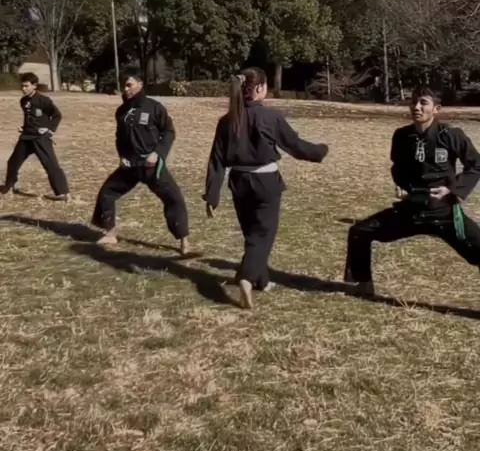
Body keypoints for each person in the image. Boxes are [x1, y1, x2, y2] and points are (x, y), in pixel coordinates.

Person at [204, 67, 329, 309]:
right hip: (265, 182)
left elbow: (216, 159)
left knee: (252, 235)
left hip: (239, 182)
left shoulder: (226, 121)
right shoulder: (270, 117)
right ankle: (246, 278)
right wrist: (321, 151)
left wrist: (212, 193)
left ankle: (261, 281)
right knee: (263, 234)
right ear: (260, 88)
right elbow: (295, 146)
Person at [344, 86, 480, 295]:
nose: (416, 107)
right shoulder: (402, 136)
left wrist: (451, 189)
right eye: (414, 102)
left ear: (436, 109)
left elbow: (476, 164)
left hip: (442, 212)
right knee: (359, 232)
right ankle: (363, 285)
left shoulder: (451, 135)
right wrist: (402, 184)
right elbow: (397, 167)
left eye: (423, 103)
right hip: (412, 209)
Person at [92, 67, 190, 254]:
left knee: (174, 198)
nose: (125, 89)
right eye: (123, 85)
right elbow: (119, 138)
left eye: (129, 85)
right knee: (107, 193)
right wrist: (122, 156)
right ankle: (110, 233)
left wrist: (157, 154)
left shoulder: (154, 108)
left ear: (140, 83)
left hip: (151, 165)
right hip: (130, 165)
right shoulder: (121, 111)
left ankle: (184, 241)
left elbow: (169, 132)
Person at [0, 72, 70, 201]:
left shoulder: (44, 100)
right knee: (13, 162)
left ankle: (63, 193)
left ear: (34, 86)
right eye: (22, 86)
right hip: (26, 137)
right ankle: (9, 186)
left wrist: (49, 129)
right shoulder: (23, 101)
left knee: (51, 164)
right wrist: (24, 127)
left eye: (26, 86)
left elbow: (57, 115)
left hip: (40, 138)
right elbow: (30, 117)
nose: (23, 89)